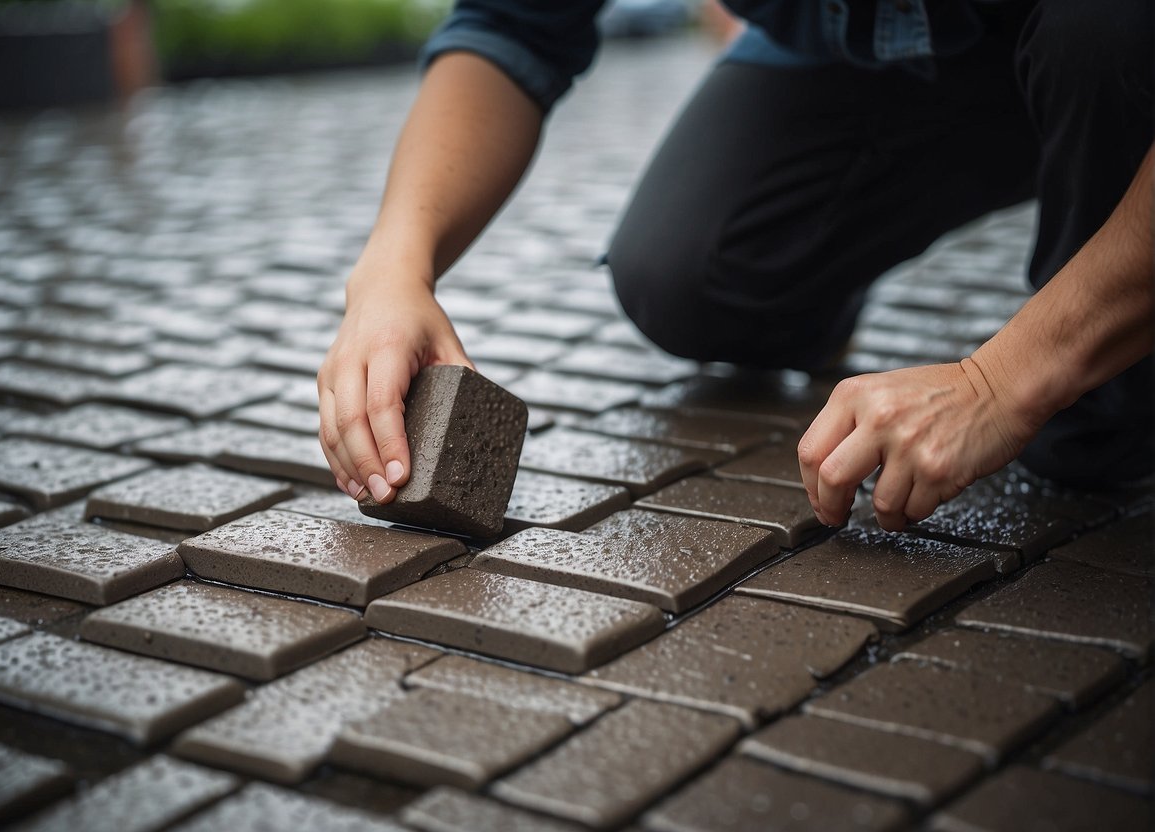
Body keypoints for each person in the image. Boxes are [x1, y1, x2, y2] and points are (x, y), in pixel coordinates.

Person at [317, 0, 1153, 532]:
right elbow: (509, 26)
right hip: (868, 43)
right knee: (686, 276)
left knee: (1111, 38)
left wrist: (999, 382)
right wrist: (394, 268)